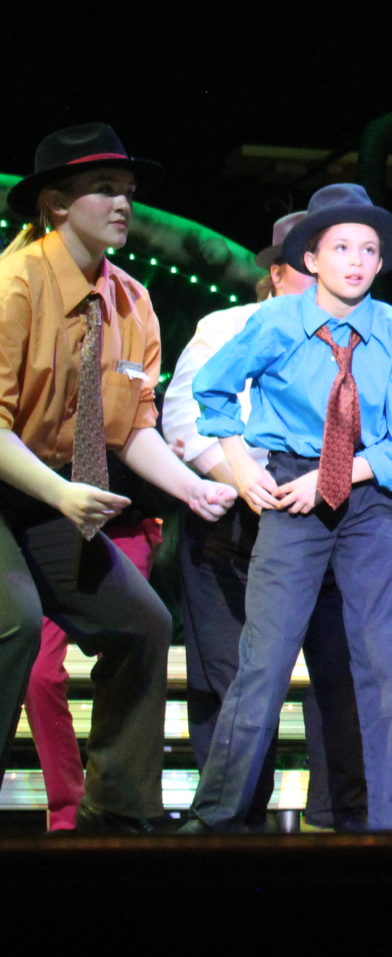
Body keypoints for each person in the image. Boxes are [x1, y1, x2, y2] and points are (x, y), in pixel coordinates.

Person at [1, 124, 235, 831]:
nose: (124, 204)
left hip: (48, 491)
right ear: (56, 203)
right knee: (12, 622)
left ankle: (118, 818)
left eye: (128, 191)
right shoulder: (15, 284)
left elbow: (132, 425)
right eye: (105, 189)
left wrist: (191, 486)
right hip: (24, 481)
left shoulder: (131, 300)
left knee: (142, 623)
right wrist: (61, 493)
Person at [183, 182, 392, 832]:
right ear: (312, 258)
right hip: (293, 495)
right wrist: (242, 465)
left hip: (371, 496)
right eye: (341, 247)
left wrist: (337, 474)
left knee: (386, 661)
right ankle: (217, 814)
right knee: (264, 660)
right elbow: (211, 389)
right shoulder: (276, 322)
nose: (356, 260)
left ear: (381, 262)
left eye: (368, 249)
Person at [159, 210, 369, 831]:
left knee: (341, 676)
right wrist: (245, 480)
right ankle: (235, 824)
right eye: (308, 264)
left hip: (328, 520)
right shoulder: (228, 327)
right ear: (277, 274)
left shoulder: (366, 335)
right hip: (237, 525)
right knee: (234, 677)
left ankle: (343, 819)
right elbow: (185, 417)